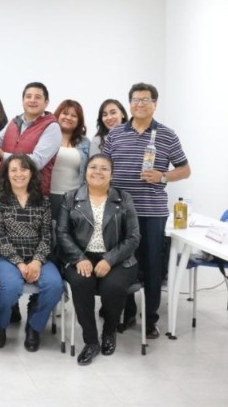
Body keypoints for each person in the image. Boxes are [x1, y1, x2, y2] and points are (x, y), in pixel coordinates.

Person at [103, 82, 191, 339]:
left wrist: (162, 176)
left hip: (152, 212)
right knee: (123, 264)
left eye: (145, 100)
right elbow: (104, 166)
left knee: (152, 266)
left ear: (155, 103)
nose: (139, 104)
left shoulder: (167, 135)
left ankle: (150, 320)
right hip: (119, 212)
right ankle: (128, 313)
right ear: (129, 103)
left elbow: (185, 170)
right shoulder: (115, 134)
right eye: (135, 100)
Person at [57, 154, 140, 365]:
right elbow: (62, 233)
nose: (98, 172)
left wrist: (109, 259)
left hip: (118, 258)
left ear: (112, 174)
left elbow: (133, 237)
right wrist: (79, 258)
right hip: (80, 257)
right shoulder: (70, 197)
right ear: (85, 171)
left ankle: (110, 331)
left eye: (104, 168)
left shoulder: (124, 198)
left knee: (112, 287)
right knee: (81, 283)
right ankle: (91, 341)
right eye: (93, 167)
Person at [0, 154, 63, 352]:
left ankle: (34, 326)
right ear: (6, 174)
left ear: (32, 173)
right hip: (5, 258)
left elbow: (47, 236)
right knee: (10, 286)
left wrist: (37, 261)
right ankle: (1, 326)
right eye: (13, 170)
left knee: (55, 286)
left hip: (38, 257)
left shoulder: (43, 201)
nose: (18, 174)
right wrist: (19, 263)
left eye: (23, 169)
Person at [0, 82, 61, 197]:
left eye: (37, 97)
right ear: (23, 101)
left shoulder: (52, 127)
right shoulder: (14, 122)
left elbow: (37, 162)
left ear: (46, 103)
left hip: (32, 195)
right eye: (28, 96)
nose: (32, 100)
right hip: (5, 190)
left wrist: (3, 155)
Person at [49, 99, 90, 221]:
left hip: (74, 197)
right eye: (65, 113)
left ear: (79, 120)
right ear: (58, 115)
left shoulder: (85, 142)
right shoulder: (46, 138)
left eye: (74, 115)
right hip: (46, 195)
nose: (68, 117)